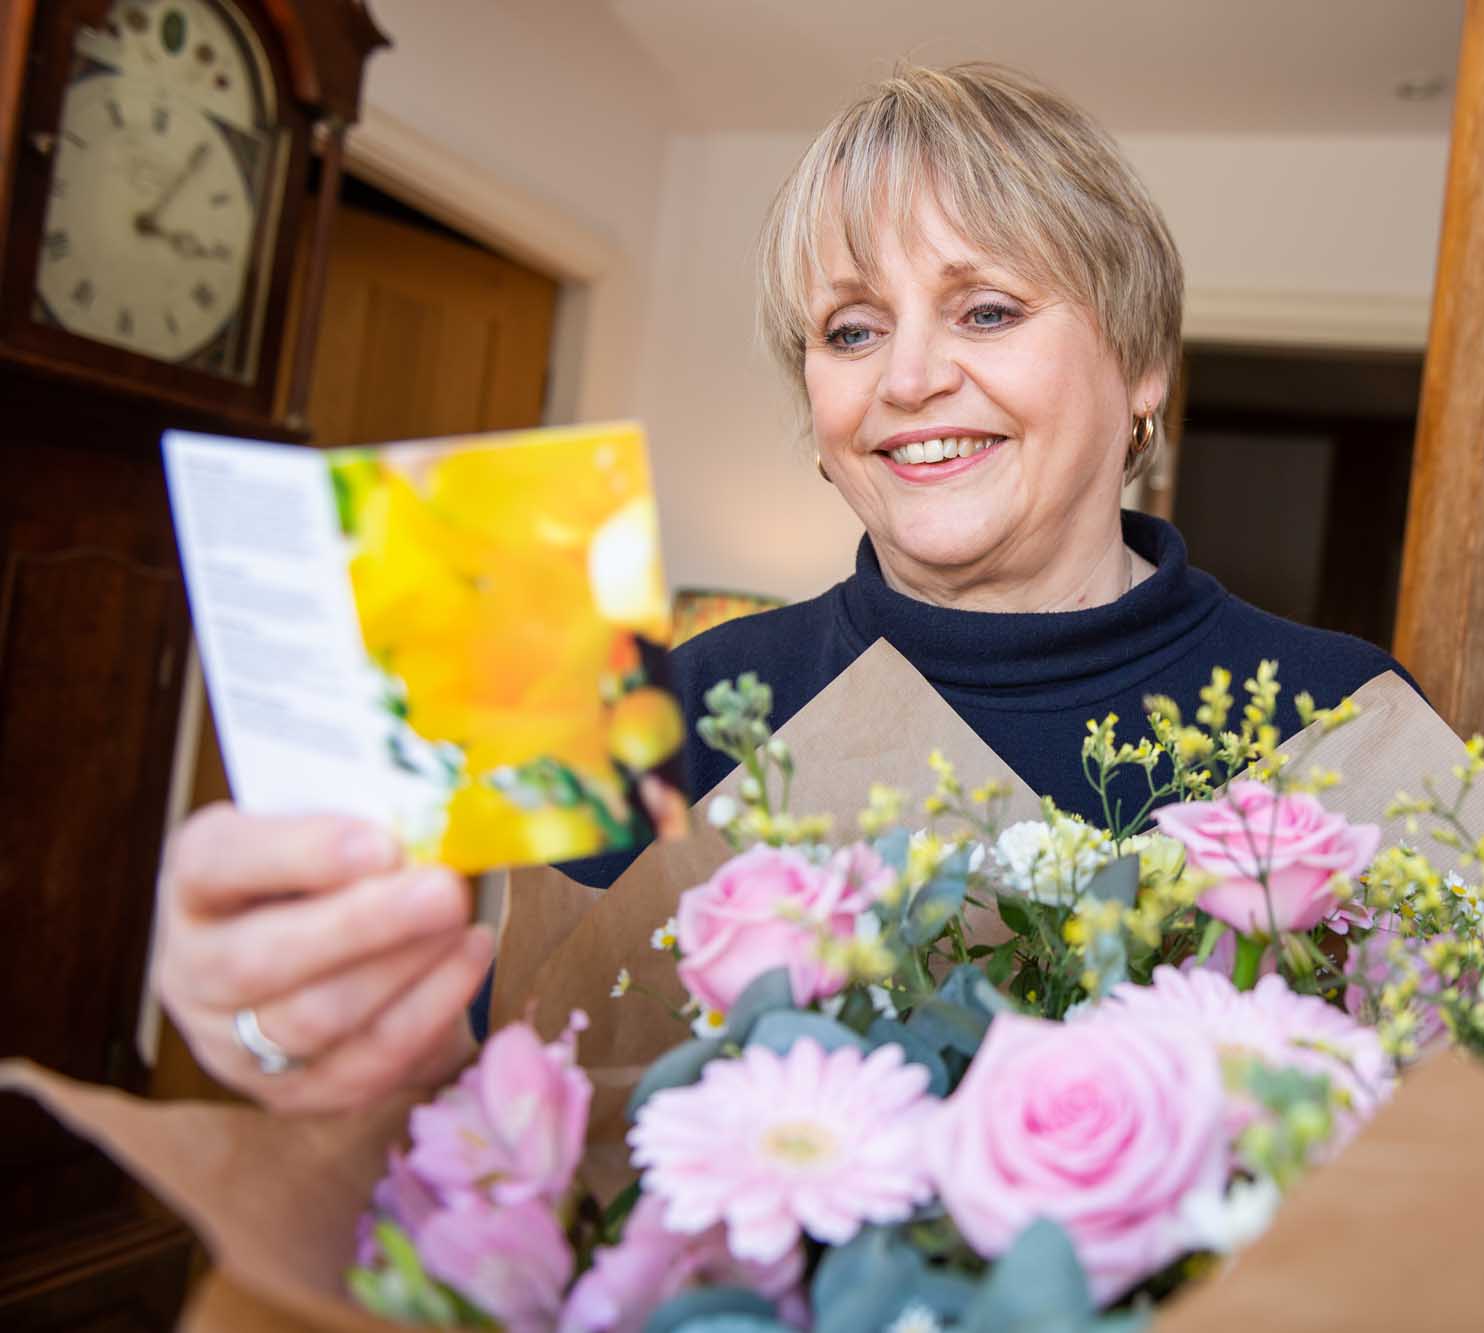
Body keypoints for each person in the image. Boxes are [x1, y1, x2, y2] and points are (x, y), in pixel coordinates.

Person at [155, 63, 1414, 1113]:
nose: (908, 377)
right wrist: (298, 1031)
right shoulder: (673, 703)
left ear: (1141, 365)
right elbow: (509, 1102)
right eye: (851, 331)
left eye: (983, 310)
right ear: (817, 412)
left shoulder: (1342, 716)